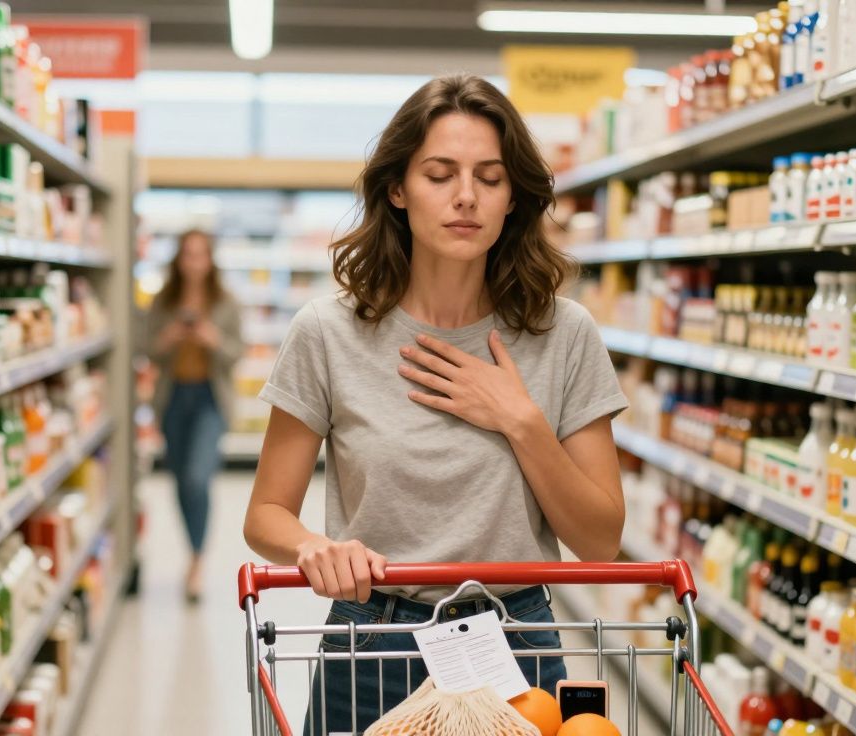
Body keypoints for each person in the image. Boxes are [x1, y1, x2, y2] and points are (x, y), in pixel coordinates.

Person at [243, 74, 628, 733]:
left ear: (513, 197)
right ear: (398, 188)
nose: (466, 197)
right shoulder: (329, 333)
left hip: (513, 639)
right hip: (373, 641)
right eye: (439, 173)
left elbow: (599, 539)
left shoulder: (564, 334)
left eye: (490, 176)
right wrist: (313, 547)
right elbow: (266, 514)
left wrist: (519, 419)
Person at [148, 228, 244, 603]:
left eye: (200, 254)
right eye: (187, 254)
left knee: (196, 478)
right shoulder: (163, 301)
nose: (193, 262)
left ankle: (197, 560)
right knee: (179, 480)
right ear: (178, 259)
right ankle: (193, 551)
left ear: (210, 259)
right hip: (173, 399)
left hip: (209, 399)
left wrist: (211, 338)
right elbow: (148, 350)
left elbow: (236, 353)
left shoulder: (226, 302)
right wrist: (170, 337)